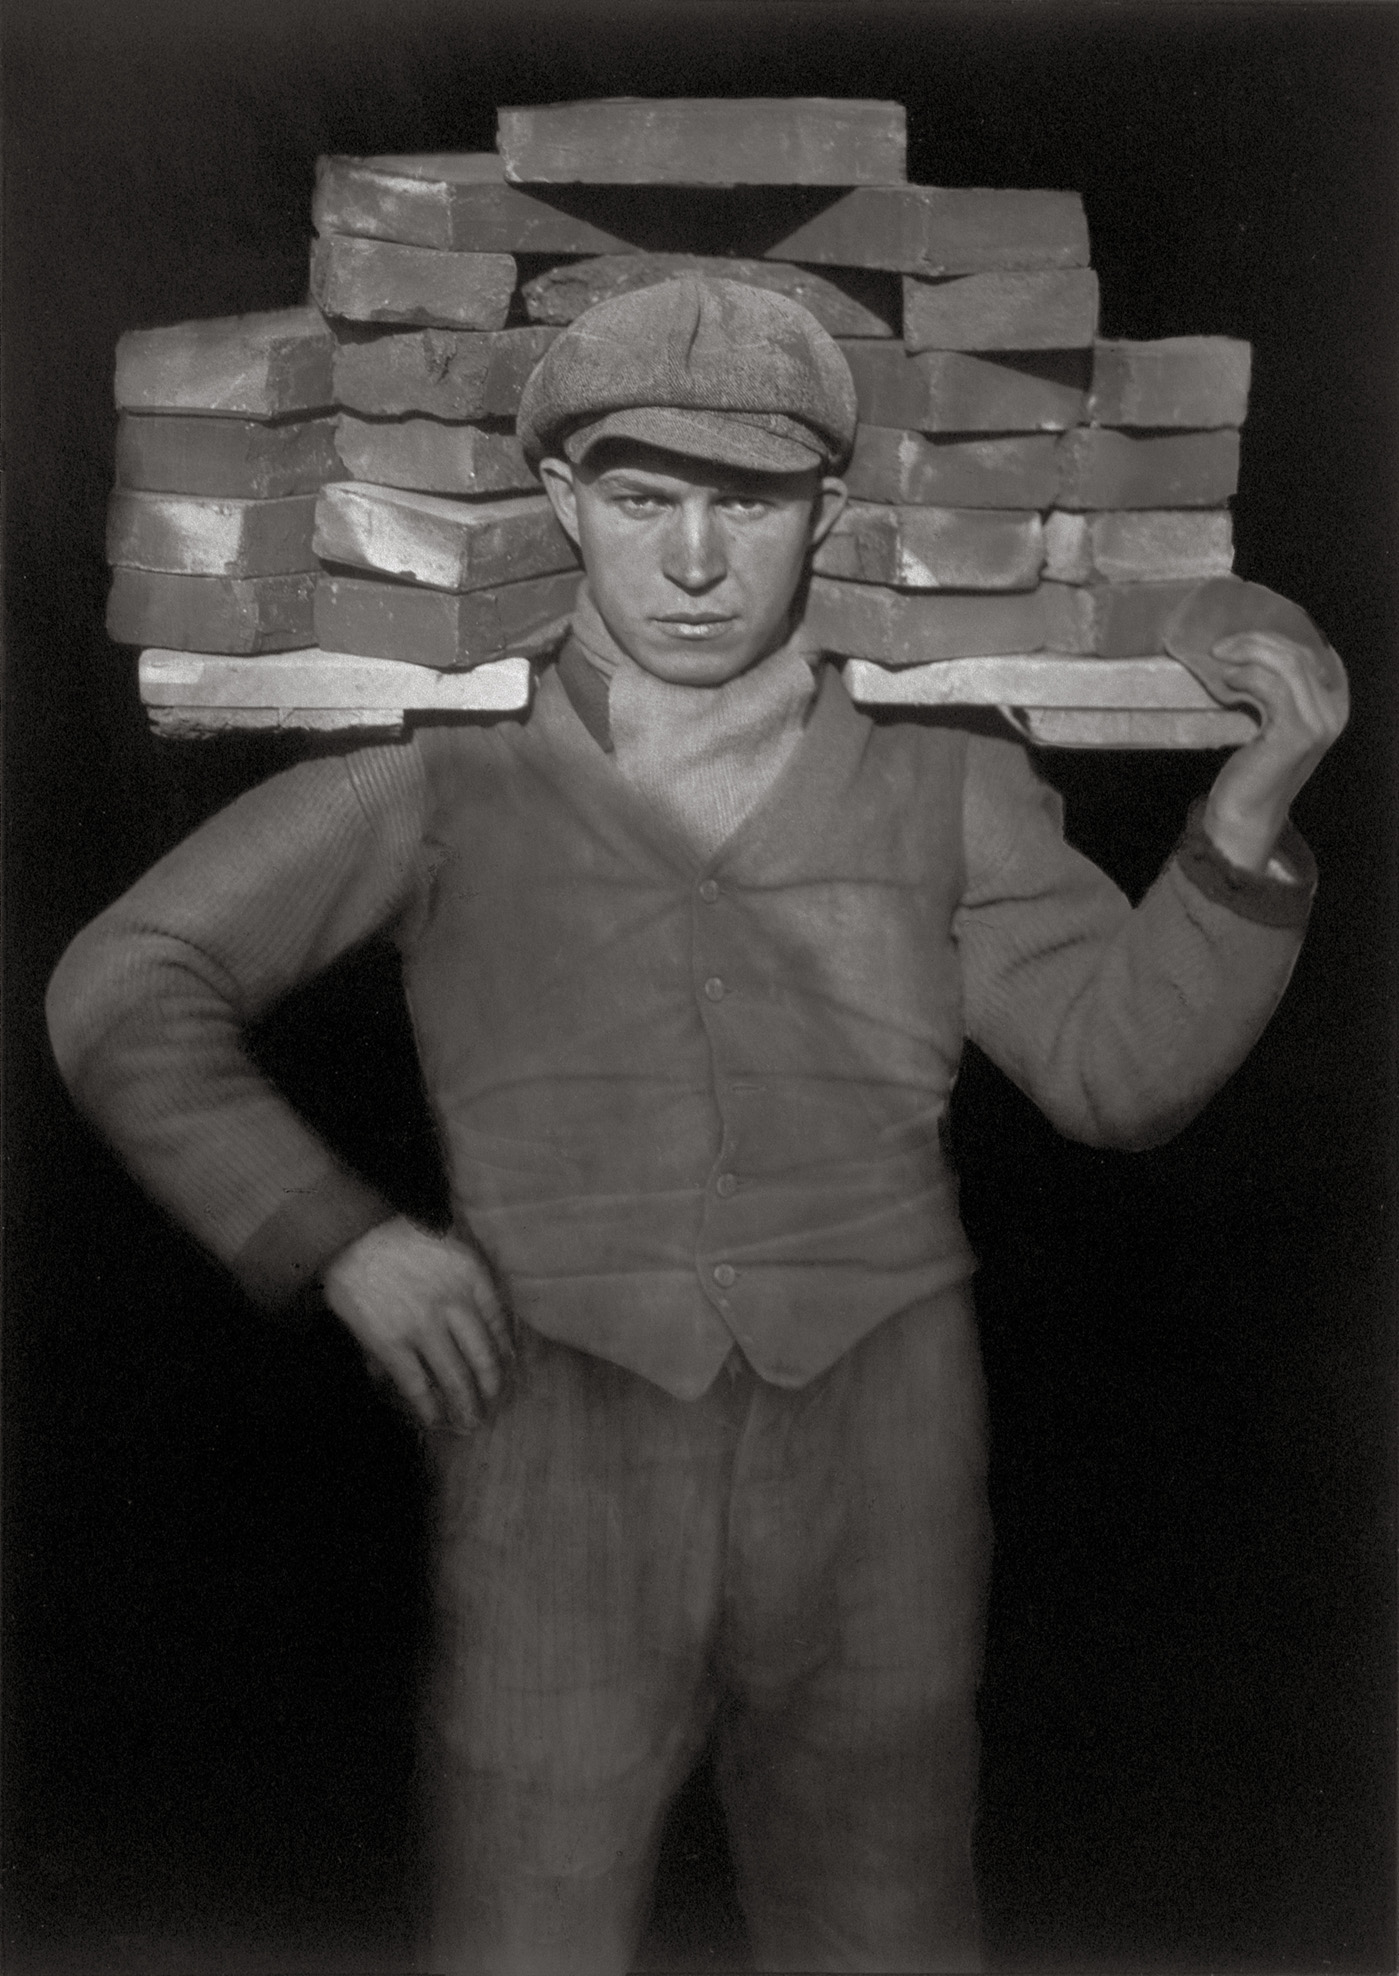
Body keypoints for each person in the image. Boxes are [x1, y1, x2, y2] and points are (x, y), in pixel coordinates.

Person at [46, 276, 1347, 1976]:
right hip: (557, 1434)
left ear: (828, 514)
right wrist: (341, 1238)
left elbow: (1117, 1076)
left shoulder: (944, 775)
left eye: (747, 503)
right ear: (566, 503)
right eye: (645, 500)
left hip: (879, 1434)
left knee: (882, 1919)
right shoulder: (447, 770)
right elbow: (123, 981)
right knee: (530, 1911)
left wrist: (1240, 831)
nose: (692, 562)